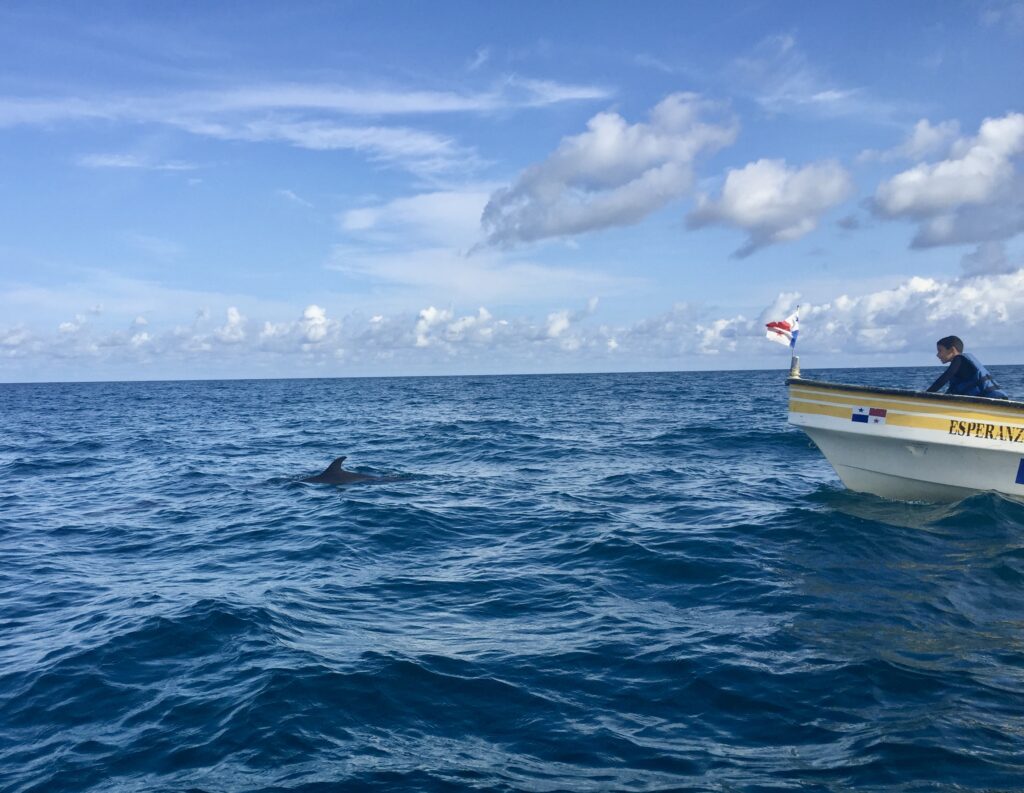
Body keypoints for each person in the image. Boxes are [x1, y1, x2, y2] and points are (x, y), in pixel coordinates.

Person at [927, 336, 1008, 399]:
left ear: (952, 350)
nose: (937, 355)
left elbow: (943, 379)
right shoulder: (960, 365)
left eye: (940, 350)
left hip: (993, 402)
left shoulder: (959, 359)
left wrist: (926, 395)